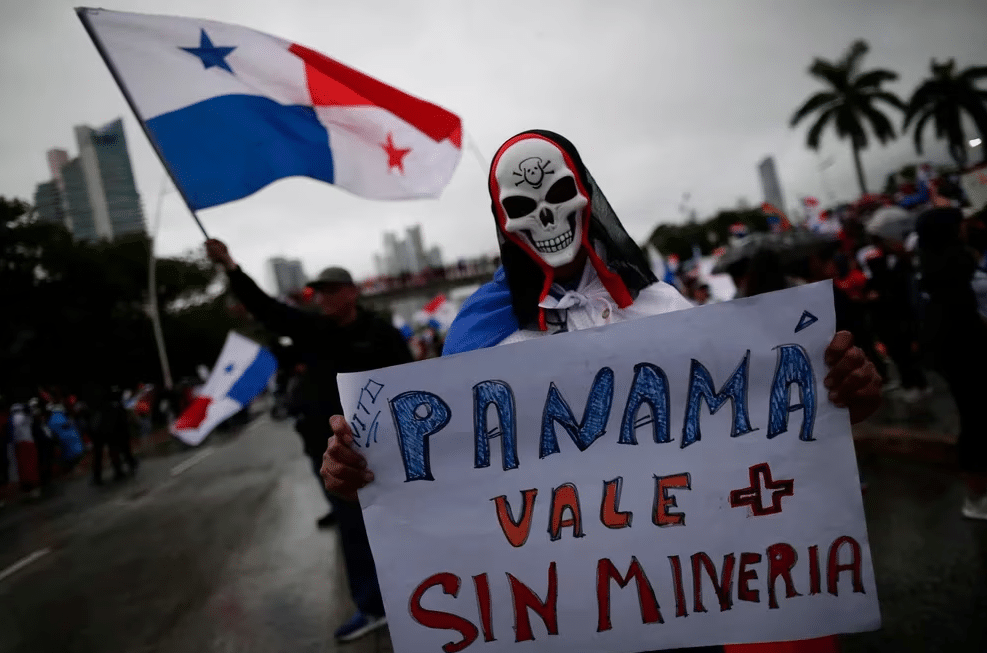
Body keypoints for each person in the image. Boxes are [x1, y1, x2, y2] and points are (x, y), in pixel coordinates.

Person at [321, 130, 882, 653]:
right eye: (522, 206)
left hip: (687, 594)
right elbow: (437, 485)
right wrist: (362, 476)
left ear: (586, 197)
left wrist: (842, 399)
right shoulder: (478, 341)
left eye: (559, 194)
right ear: (503, 222)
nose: (545, 217)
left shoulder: (664, 307)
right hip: (565, 611)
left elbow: (758, 427)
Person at [205, 239, 412, 642]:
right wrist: (230, 266)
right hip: (335, 452)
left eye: (332, 290)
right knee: (352, 529)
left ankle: (418, 592)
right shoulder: (313, 330)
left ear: (352, 292)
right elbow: (268, 309)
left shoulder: (383, 335)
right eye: (319, 292)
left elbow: (411, 384)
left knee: (398, 523)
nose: (324, 298)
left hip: (386, 450)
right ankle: (372, 606)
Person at [915, 206, 987, 520]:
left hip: (960, 351)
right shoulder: (955, 266)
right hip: (965, 352)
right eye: (959, 225)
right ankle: (977, 497)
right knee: (977, 421)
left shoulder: (939, 264)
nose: (965, 228)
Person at [90, 387, 138, 485]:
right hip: (109, 427)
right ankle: (121, 468)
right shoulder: (114, 405)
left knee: (104, 451)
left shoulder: (104, 404)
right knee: (115, 448)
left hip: (101, 426)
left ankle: (102, 474)